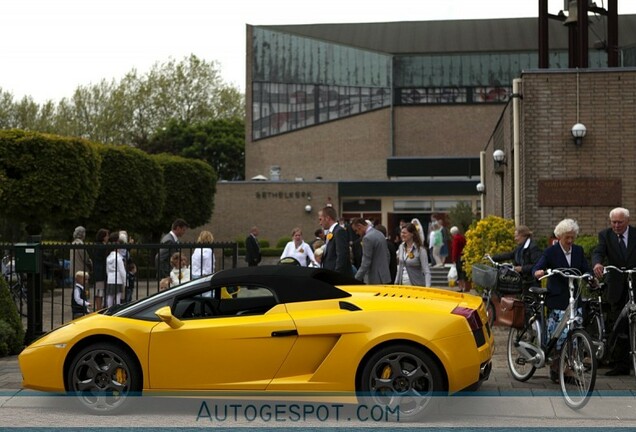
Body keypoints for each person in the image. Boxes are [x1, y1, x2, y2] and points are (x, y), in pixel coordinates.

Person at [533, 218, 591, 383]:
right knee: (559, 336)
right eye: (567, 237)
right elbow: (538, 267)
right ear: (559, 237)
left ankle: (569, 369)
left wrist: (591, 278)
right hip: (558, 298)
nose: (570, 241)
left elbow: (585, 269)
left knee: (575, 335)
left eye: (573, 237)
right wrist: (538, 272)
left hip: (574, 298)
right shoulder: (551, 252)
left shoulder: (578, 251)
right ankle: (556, 368)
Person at [592, 207, 636, 376]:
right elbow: (598, 252)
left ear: (627, 221)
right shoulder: (605, 235)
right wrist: (597, 263)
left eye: (620, 222)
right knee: (618, 323)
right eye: (613, 222)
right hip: (616, 285)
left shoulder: (634, 234)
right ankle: (620, 364)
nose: (616, 225)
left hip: (634, 281)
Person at [492, 225, 542, 295]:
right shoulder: (520, 247)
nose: (515, 238)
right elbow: (510, 255)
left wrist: (522, 269)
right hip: (522, 281)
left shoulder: (533, 248)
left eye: (517, 236)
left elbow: (538, 265)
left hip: (531, 282)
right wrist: (493, 257)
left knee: (528, 303)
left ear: (523, 236)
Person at [350, 218, 391, 284]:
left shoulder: (367, 238)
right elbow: (388, 255)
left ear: (359, 226)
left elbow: (366, 262)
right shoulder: (380, 234)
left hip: (373, 278)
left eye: (356, 230)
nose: (357, 233)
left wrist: (356, 279)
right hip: (384, 276)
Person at [395, 222, 432, 287]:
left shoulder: (420, 250)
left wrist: (427, 288)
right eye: (401, 232)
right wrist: (396, 283)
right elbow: (400, 267)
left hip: (416, 286)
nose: (402, 235)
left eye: (405, 233)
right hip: (402, 287)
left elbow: (426, 271)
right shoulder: (401, 247)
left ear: (412, 234)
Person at [318, 206, 351, 275]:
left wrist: (336, 275)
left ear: (327, 218)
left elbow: (341, 255)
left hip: (336, 275)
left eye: (320, 219)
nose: (320, 223)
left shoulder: (339, 231)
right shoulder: (331, 232)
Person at [106, 232, 128, 307]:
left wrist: (109, 276)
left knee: (110, 295)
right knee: (118, 295)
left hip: (110, 278)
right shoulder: (119, 258)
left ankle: (109, 308)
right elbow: (122, 271)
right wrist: (125, 282)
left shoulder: (108, 257)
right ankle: (117, 308)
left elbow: (107, 270)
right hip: (118, 279)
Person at [90, 228, 109, 311]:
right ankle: (99, 309)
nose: (108, 237)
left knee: (99, 291)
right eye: (107, 235)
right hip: (100, 272)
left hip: (98, 271)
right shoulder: (102, 247)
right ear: (103, 237)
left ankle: (99, 308)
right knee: (99, 291)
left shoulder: (97, 245)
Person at [450, 226, 468, 292]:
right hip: (464, 256)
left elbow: (455, 250)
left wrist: (453, 259)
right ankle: (465, 287)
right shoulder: (462, 238)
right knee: (463, 273)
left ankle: (461, 287)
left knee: (459, 273)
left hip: (458, 257)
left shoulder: (456, 239)